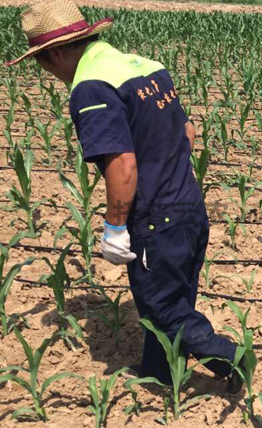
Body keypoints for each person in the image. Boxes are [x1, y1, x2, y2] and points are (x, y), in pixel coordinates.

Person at [7, 0, 243, 393]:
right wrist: (169, 174)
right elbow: (187, 132)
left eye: (41, 64)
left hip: (156, 217)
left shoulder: (91, 86)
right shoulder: (146, 67)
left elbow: (122, 167)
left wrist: (115, 226)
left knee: (160, 306)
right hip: (189, 204)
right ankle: (161, 372)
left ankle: (232, 358)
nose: (47, 73)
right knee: (173, 296)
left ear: (57, 54)